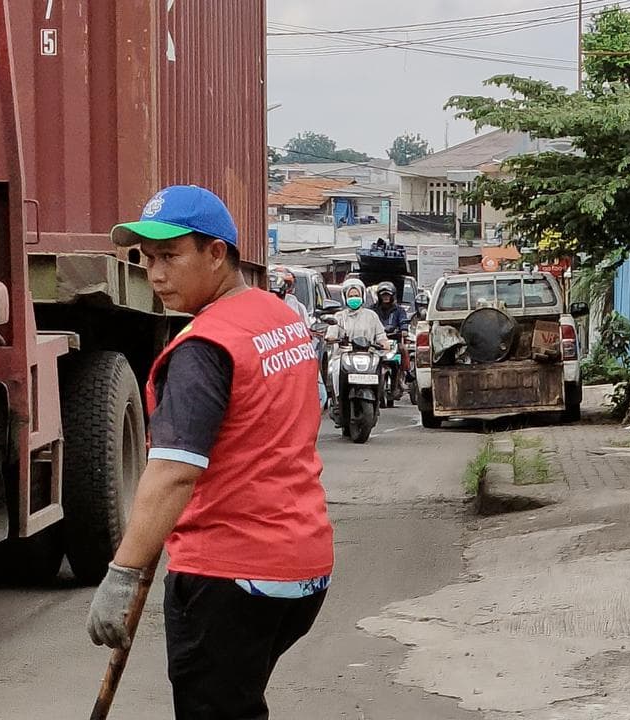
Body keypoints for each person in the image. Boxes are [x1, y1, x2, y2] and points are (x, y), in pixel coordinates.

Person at [88, 185, 334, 718]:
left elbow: (174, 471)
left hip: (230, 576)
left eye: (170, 256)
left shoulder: (205, 348)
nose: (154, 274)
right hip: (302, 567)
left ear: (216, 253)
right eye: (147, 259)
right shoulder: (279, 319)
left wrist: (122, 574)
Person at [325, 279, 390, 424]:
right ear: (345, 297)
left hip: (368, 355)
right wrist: (332, 337)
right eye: (351, 295)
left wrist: (384, 343)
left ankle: (377, 400)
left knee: (380, 370)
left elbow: (380, 335)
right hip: (344, 355)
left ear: (362, 296)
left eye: (357, 295)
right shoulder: (339, 317)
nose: (354, 298)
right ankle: (337, 403)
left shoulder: (371, 316)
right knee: (335, 370)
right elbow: (331, 333)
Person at [371, 282, 411, 398]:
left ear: (393, 296)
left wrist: (404, 330)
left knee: (403, 349)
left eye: (388, 295)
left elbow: (403, 321)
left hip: (394, 340)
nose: (386, 298)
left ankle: (406, 375)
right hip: (377, 342)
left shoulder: (399, 310)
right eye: (383, 295)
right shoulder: (372, 310)